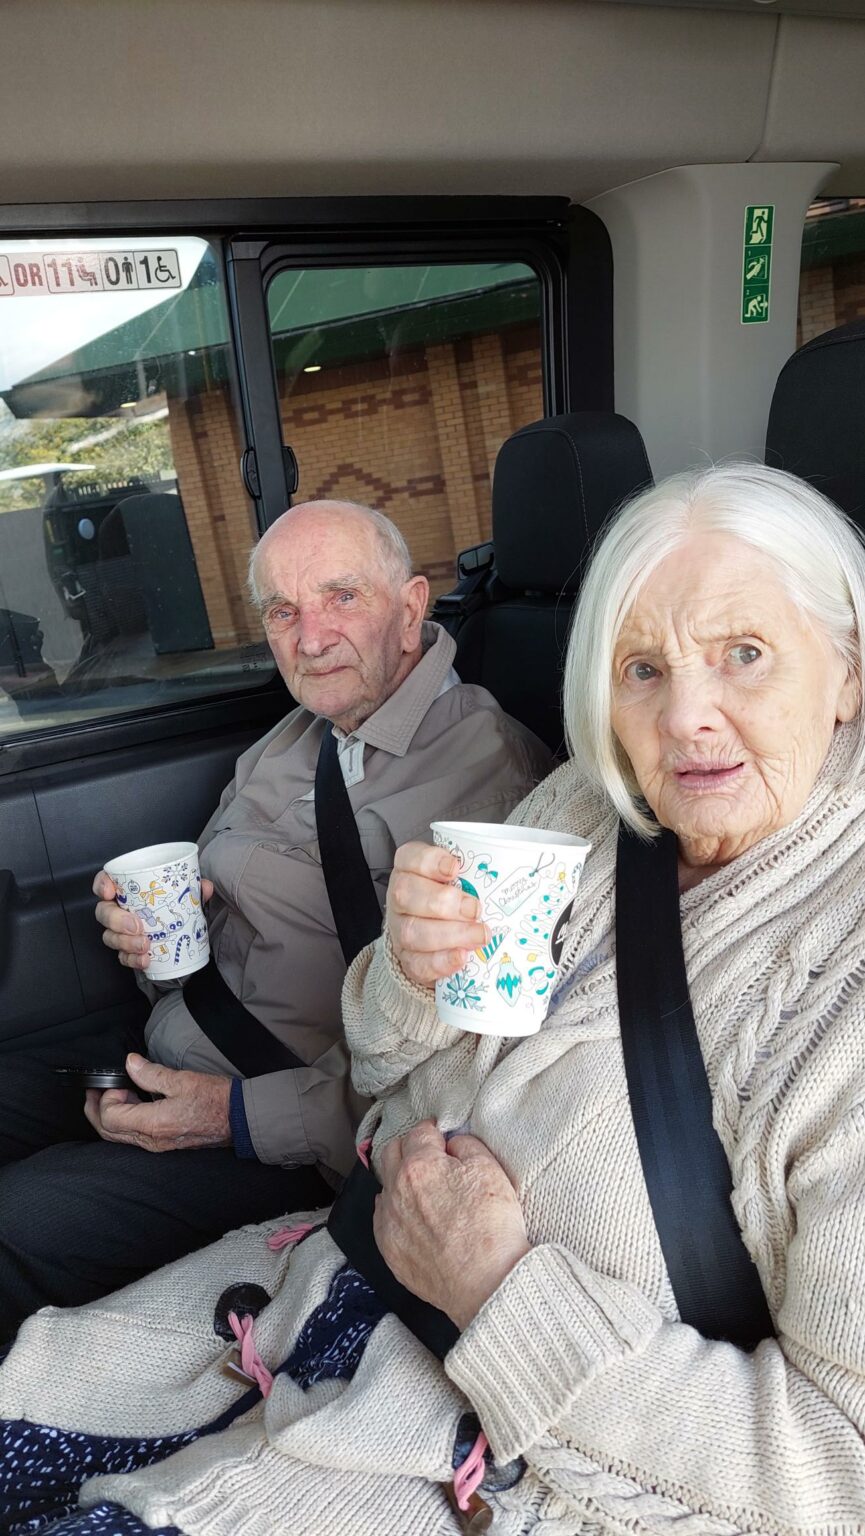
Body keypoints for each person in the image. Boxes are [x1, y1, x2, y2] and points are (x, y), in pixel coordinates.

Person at [3, 462, 865, 1536]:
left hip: (499, 1442)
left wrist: (494, 1286)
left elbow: (838, 1471)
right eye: (641, 668)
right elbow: (384, 1063)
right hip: (323, 1276)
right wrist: (405, 976)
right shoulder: (580, 804)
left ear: (847, 670)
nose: (686, 718)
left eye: (744, 654)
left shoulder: (830, 974)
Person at [0, 498, 549, 1338]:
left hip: (285, 1126)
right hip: (174, 1037)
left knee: (16, 1223)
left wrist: (228, 1114)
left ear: (410, 610)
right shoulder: (293, 738)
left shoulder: (491, 782)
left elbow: (455, 1079)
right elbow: (216, 915)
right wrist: (152, 947)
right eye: (282, 611)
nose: (311, 637)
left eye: (342, 598)